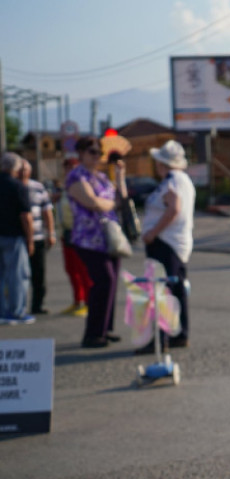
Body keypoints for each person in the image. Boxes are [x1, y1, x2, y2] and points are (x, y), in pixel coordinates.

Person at [66, 136, 128, 348]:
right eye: (92, 152)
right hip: (88, 238)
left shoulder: (101, 177)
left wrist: (120, 177)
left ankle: (105, 328)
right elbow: (92, 202)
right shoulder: (76, 176)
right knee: (103, 280)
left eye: (99, 153)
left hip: (109, 236)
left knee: (111, 282)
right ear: (81, 153)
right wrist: (109, 203)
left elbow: (120, 200)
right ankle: (92, 333)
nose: (96, 157)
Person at [135, 140, 196, 355]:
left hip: (165, 243)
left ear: (162, 163)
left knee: (161, 290)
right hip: (177, 243)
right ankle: (180, 334)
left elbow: (173, 209)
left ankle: (161, 339)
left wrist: (153, 232)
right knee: (176, 289)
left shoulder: (171, 181)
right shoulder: (183, 180)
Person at [0, 153, 35, 325]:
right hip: (14, 236)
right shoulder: (18, 186)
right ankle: (16, 311)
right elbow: (25, 216)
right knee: (17, 276)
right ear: (16, 168)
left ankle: (1, 311)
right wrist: (30, 239)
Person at [54, 158, 92, 317]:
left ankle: (89, 303)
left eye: (72, 167)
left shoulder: (81, 186)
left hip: (80, 233)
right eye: (67, 167)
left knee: (82, 269)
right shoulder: (65, 187)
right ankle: (77, 300)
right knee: (70, 269)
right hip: (67, 232)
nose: (69, 170)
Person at [18, 160, 56, 315]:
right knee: (18, 274)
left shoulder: (38, 187)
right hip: (18, 237)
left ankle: (37, 305)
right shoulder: (12, 187)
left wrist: (51, 233)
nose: (22, 172)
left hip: (38, 235)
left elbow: (47, 212)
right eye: (20, 169)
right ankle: (18, 306)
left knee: (38, 273)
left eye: (25, 169)